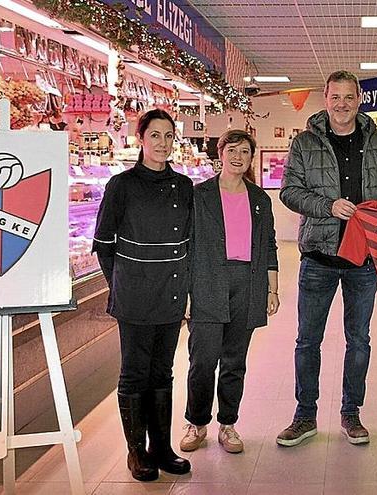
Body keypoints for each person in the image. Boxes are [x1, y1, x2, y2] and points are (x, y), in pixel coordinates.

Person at [277, 70, 377, 446]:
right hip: (319, 255)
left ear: (359, 98)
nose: (342, 104)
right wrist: (327, 206)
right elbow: (289, 192)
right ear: (325, 99)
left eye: (349, 97)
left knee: (359, 340)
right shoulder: (304, 143)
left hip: (364, 260)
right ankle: (304, 415)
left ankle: (351, 413)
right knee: (307, 341)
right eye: (335, 97)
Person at [92, 109, 192, 481]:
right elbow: (103, 243)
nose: (162, 143)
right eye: (155, 136)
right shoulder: (121, 185)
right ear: (141, 139)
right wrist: (121, 282)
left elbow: (189, 243)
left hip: (170, 293)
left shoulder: (183, 186)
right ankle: (136, 453)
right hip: (133, 296)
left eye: (168, 137)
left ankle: (161, 447)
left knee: (163, 372)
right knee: (135, 373)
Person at [179, 130, 280, 455]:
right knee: (203, 360)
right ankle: (196, 422)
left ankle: (228, 424)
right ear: (220, 153)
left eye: (245, 152)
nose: (238, 157)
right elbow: (187, 245)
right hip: (207, 281)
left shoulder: (260, 200)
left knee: (235, 361)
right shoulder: (198, 195)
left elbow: (269, 246)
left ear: (252, 158)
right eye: (232, 150)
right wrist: (187, 292)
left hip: (246, 284)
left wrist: (271, 289)